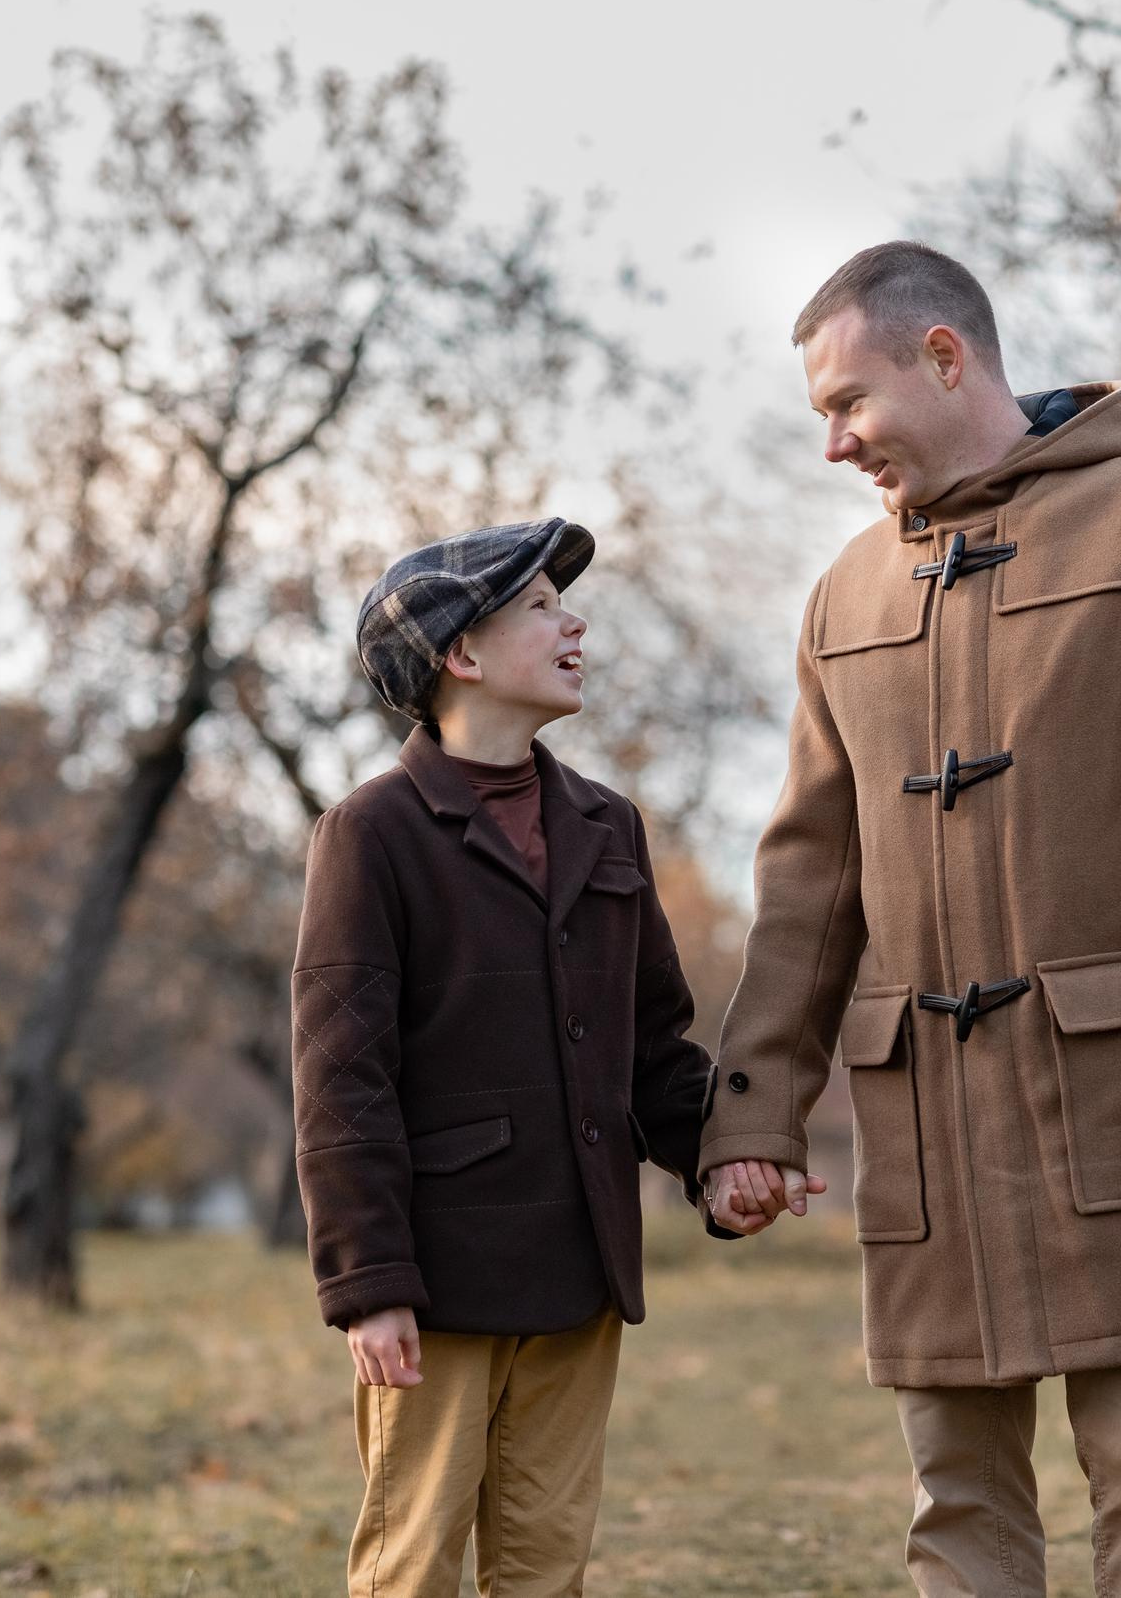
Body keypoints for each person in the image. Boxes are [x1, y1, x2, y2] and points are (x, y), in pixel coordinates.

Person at [700, 242, 1121, 1597]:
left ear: (944, 357)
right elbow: (808, 882)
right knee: (953, 1501)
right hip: (929, 1132)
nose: (836, 443)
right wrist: (754, 1113)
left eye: (848, 403)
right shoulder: (846, 597)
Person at [293, 518, 723, 1598]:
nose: (574, 625)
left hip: (581, 1271)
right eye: (540, 607)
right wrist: (368, 1283)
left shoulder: (609, 824)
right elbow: (342, 1082)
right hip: (437, 1285)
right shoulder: (370, 833)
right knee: (411, 1569)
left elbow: (654, 1048)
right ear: (462, 655)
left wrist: (725, 1157)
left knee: (546, 1573)